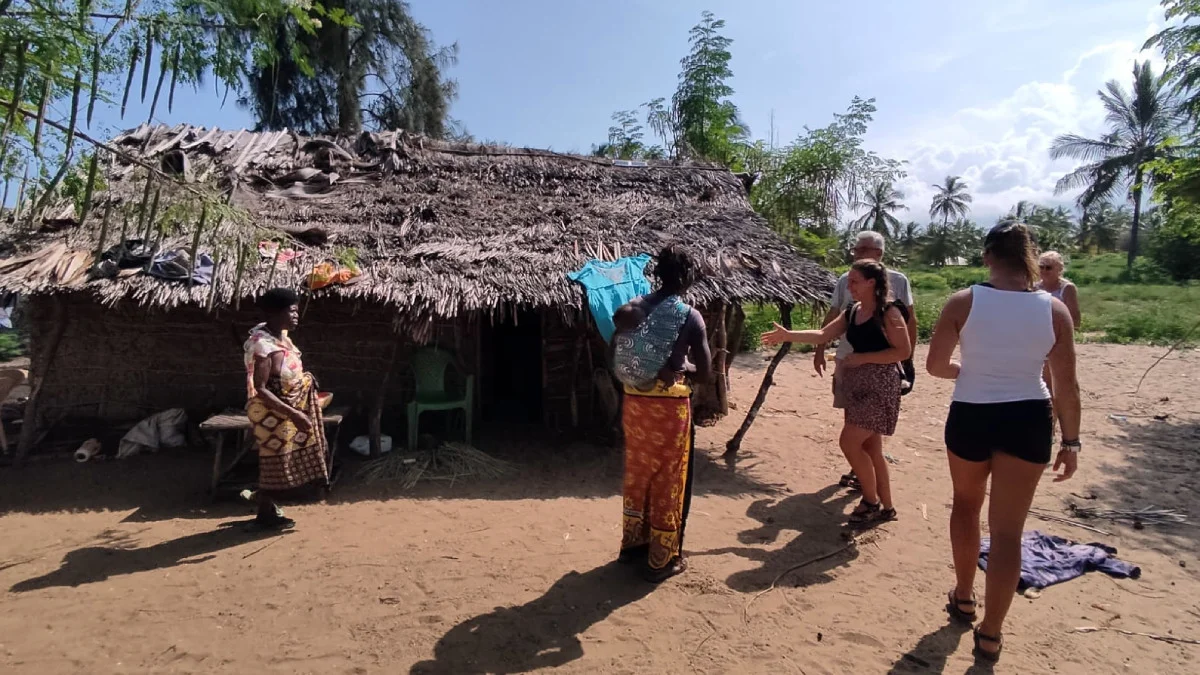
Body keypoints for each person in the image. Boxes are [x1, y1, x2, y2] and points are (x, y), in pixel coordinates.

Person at [925, 223, 1082, 662]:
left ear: (987, 255)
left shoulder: (964, 301)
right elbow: (1067, 387)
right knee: (1009, 530)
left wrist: (971, 372)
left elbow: (936, 366)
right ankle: (991, 633)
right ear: (1030, 258)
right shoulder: (1054, 310)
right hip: (1029, 415)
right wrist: (1071, 443)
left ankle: (963, 595)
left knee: (965, 506)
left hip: (972, 412)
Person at [763, 259, 910, 526]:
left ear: (871, 283)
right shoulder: (853, 311)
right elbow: (822, 335)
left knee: (849, 442)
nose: (849, 286)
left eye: (854, 281)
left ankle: (870, 502)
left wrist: (864, 359)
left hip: (880, 386)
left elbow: (903, 351)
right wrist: (788, 335)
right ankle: (887, 507)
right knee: (871, 448)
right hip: (857, 385)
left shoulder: (889, 313)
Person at [612, 244, 712, 583]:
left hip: (635, 405)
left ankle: (632, 546)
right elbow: (706, 373)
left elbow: (618, 351)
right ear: (686, 278)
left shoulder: (631, 308)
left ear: (657, 274)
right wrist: (682, 364)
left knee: (638, 472)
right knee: (669, 477)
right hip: (669, 409)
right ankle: (661, 558)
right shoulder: (689, 316)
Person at [813, 231, 916, 491]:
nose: (857, 254)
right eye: (856, 250)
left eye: (862, 250)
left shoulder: (897, 286)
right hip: (848, 362)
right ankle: (870, 481)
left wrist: (908, 359)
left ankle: (868, 487)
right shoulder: (847, 281)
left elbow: (909, 321)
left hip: (880, 369)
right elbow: (833, 317)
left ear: (878, 254)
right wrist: (819, 348)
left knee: (860, 429)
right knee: (856, 420)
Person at [243, 288, 330, 530]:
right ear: (275, 312)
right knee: (274, 462)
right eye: (291, 311)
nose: (296, 315)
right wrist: (294, 413)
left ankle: (266, 510)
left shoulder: (281, 338)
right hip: (272, 412)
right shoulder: (262, 345)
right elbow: (261, 388)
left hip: (287, 407)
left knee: (278, 461)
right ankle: (264, 512)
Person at [1034, 251, 1081, 425]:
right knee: (1045, 385)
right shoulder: (1035, 288)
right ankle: (1050, 425)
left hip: (1059, 342)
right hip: (1040, 342)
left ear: (1059, 269)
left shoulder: (1067, 288)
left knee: (1065, 387)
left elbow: (1075, 320)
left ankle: (1067, 428)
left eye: (1049, 267)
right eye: (1041, 267)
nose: (1044, 270)